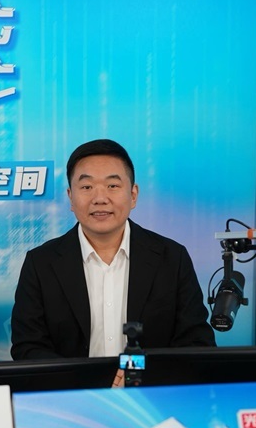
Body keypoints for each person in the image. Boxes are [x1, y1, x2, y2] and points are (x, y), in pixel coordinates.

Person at [11, 139, 214, 360]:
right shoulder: (40, 263)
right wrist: (85, 378)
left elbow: (196, 342)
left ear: (133, 195)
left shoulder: (172, 258)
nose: (100, 199)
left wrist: (141, 374)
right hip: (72, 384)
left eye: (112, 186)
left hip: (149, 383)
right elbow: (27, 347)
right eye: (87, 187)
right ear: (70, 197)